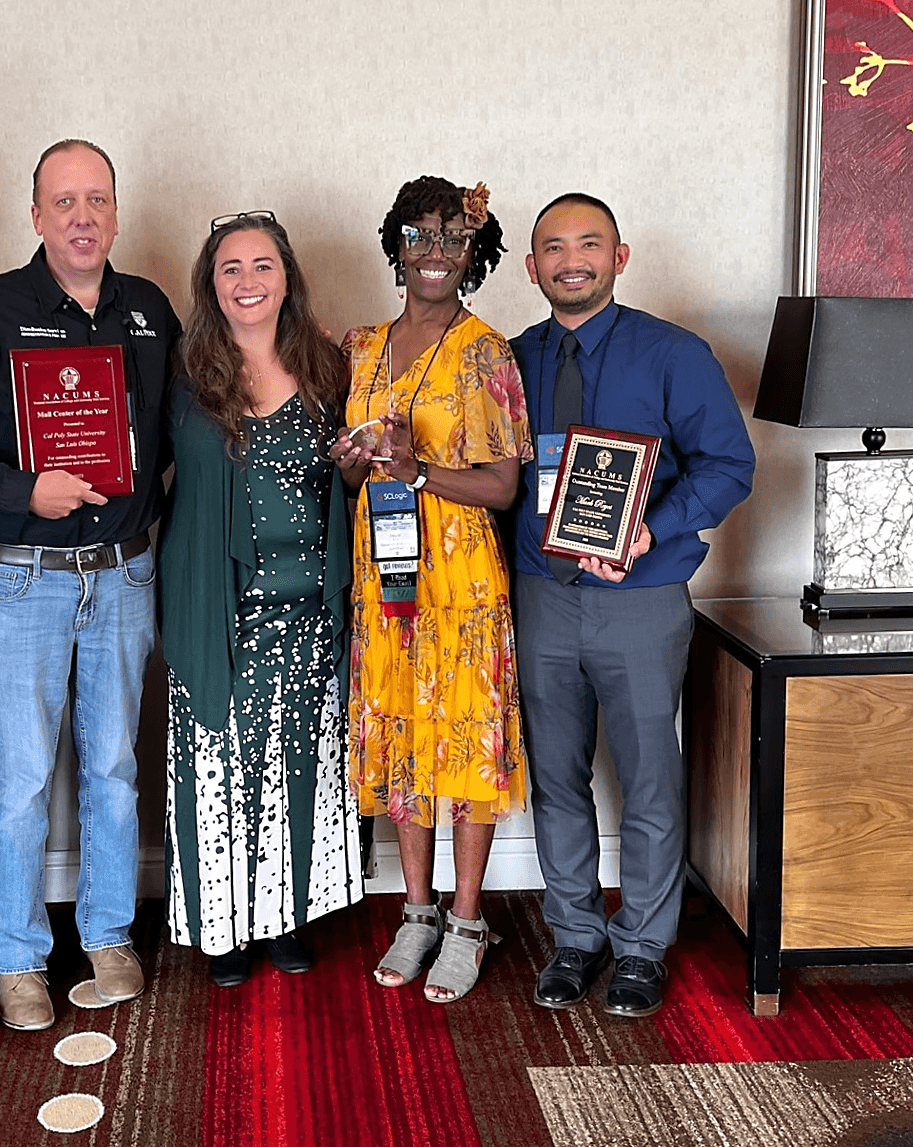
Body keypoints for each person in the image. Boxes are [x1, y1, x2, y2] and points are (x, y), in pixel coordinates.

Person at [0, 140, 180, 1032]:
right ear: (35, 215)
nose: (81, 217)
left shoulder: (149, 311)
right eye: (63, 202)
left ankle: (108, 934)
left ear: (116, 211)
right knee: (23, 775)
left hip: (124, 573)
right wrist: (25, 490)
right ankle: (19, 955)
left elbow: (180, 434)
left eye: (96, 200)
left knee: (112, 768)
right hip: (23, 580)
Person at [508, 192, 755, 1018]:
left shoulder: (674, 353)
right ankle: (576, 935)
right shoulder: (510, 362)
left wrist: (654, 525)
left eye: (588, 243)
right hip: (542, 596)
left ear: (621, 256)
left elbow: (729, 465)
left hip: (640, 600)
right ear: (531, 264)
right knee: (556, 776)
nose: (569, 259)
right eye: (552, 246)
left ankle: (643, 946)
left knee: (651, 775)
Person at [331, 176, 532, 1003]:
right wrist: (354, 466)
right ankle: (415, 912)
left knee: (467, 739)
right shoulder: (361, 347)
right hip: (384, 577)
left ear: (474, 249)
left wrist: (421, 474)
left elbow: (505, 487)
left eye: (453, 236)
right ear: (398, 247)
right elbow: (355, 471)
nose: (437, 251)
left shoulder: (488, 351)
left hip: (463, 579)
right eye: (420, 236)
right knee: (404, 737)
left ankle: (469, 917)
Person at [159, 212, 361, 987]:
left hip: (307, 610)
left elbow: (345, 482)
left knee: (301, 769)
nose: (248, 281)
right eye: (231, 267)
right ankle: (226, 927)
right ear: (212, 285)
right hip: (220, 608)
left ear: (288, 278)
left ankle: (288, 918)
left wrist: (353, 467)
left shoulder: (326, 370)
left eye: (263, 265)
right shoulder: (182, 375)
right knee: (222, 764)